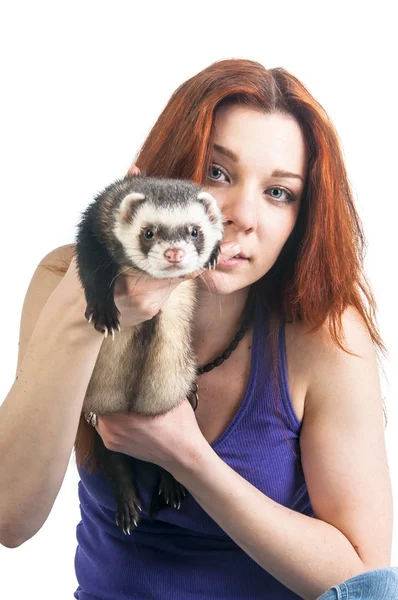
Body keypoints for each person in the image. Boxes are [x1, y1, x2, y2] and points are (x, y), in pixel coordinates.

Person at [0, 58, 396, 599]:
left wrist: (186, 456)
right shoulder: (62, 283)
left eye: (279, 192)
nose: (239, 214)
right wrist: (86, 312)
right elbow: (9, 518)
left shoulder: (325, 333)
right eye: (216, 172)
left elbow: (366, 582)